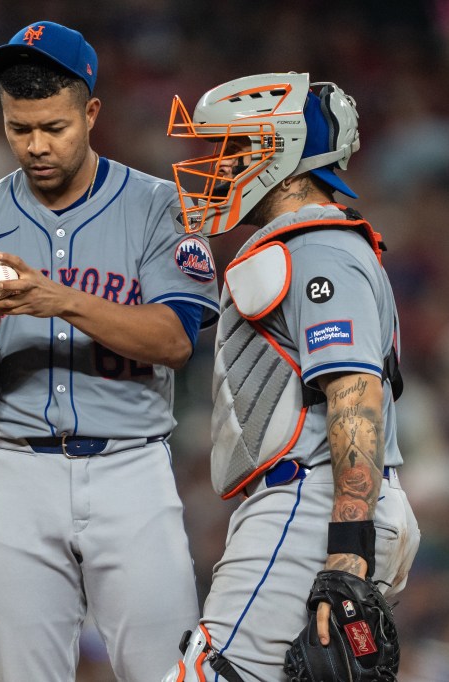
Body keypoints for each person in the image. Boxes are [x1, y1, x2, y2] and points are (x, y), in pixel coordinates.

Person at [0, 20, 221, 682]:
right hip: (15, 473)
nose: (36, 145)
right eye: (20, 129)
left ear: (92, 112)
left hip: (130, 471)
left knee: (171, 675)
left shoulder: (159, 206)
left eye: (54, 127)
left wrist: (62, 300)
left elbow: (175, 340)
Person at [160, 72, 422, 681]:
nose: (215, 167)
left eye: (230, 149)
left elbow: (354, 392)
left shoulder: (317, 247)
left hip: (315, 502)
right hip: (332, 502)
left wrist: (346, 555)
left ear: (276, 151)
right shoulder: (313, 245)